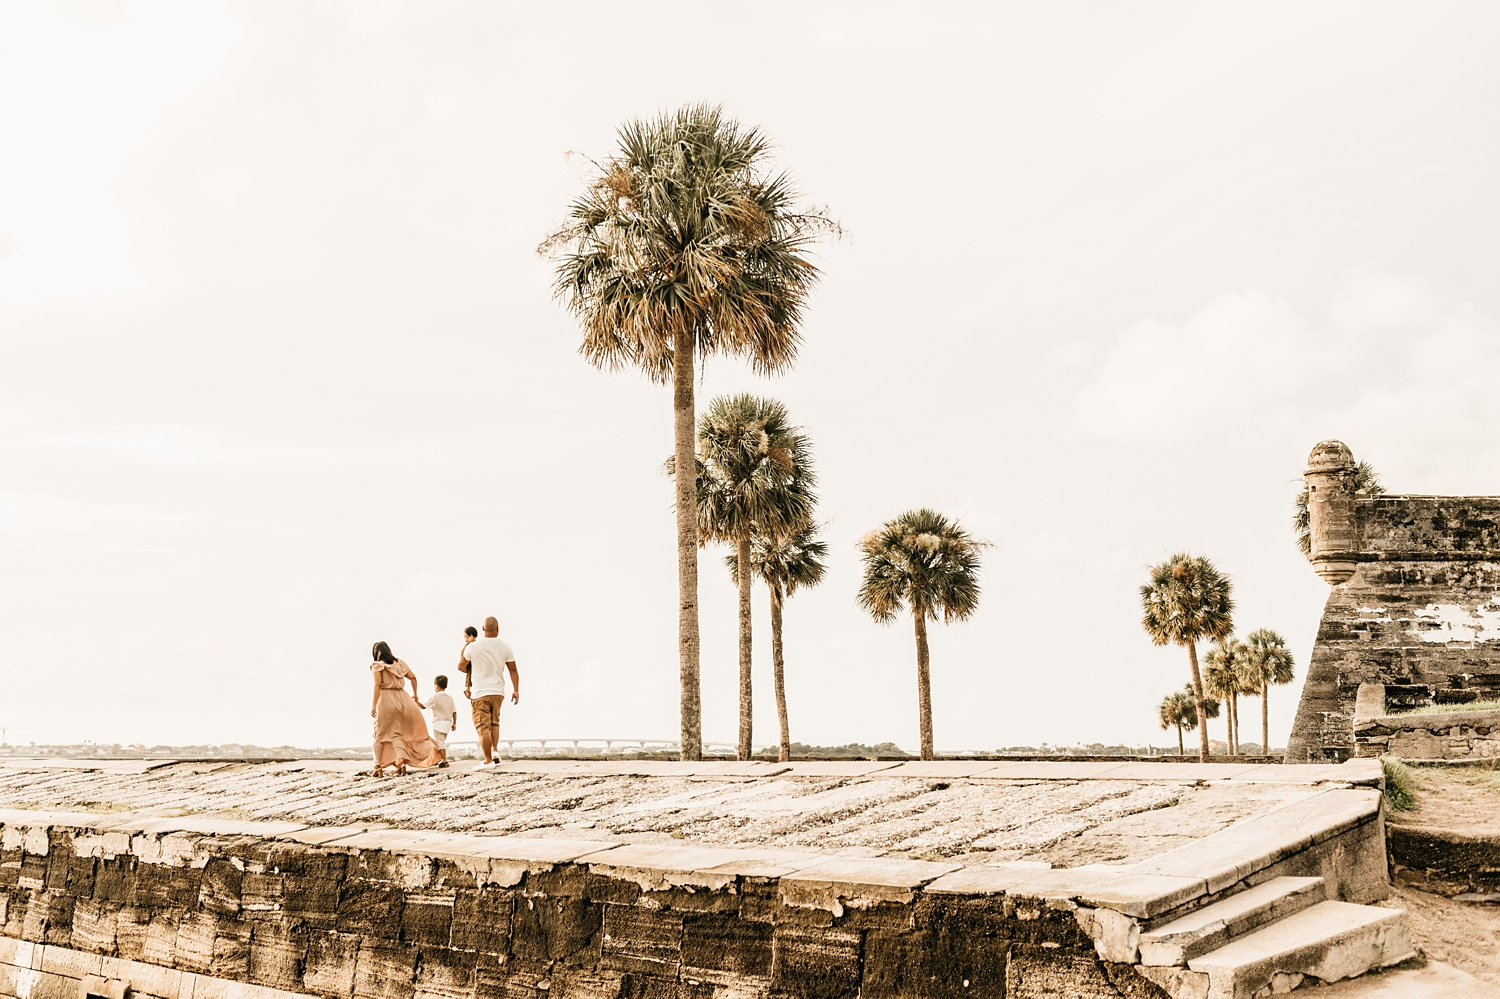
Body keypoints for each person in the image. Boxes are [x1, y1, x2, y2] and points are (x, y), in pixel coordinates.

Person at [368, 641, 441, 776]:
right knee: (396, 733)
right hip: (403, 699)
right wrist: (415, 694)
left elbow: (377, 685)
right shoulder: (399, 663)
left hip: (386, 699)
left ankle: (377, 766)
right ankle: (400, 763)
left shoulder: (377, 666)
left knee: (379, 734)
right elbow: (413, 677)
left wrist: (373, 705)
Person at [459, 616, 519, 770]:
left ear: (483, 629)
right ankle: (495, 751)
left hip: (480, 692)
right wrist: (516, 690)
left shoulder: (473, 646)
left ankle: (487, 761)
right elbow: (513, 670)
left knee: (483, 728)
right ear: (498, 629)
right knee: (494, 723)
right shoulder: (505, 647)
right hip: (498, 692)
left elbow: (461, 666)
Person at [428, 675, 457, 768]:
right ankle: (439, 760)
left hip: (438, 723)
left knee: (440, 743)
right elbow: (454, 711)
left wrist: (415, 701)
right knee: (441, 742)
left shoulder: (434, 697)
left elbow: (423, 706)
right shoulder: (450, 698)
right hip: (448, 723)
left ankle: (444, 761)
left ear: (436, 686)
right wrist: (454, 723)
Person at [458, 626, 478, 699]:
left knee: (469, 676)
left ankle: (468, 690)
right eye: (465, 637)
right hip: (471, 665)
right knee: (469, 676)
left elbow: (462, 655)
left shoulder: (471, 645)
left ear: (473, 635)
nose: (466, 640)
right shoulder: (472, 645)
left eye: (467, 637)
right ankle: (468, 690)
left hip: (473, 665)